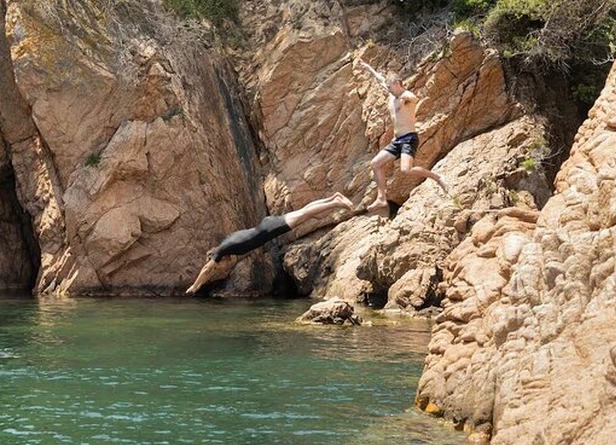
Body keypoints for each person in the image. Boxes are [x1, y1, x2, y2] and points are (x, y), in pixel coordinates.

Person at [186, 192, 357, 294]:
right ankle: (334, 198)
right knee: (304, 213)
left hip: (268, 229)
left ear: (216, 258)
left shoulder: (222, 250)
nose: (220, 269)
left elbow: (207, 269)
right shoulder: (226, 244)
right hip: (266, 225)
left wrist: (195, 286)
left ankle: (336, 202)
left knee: (304, 215)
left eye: (218, 266)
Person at [355, 59, 450, 212]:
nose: (388, 89)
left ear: (398, 84)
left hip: (409, 138)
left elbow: (413, 98)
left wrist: (405, 98)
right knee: (375, 164)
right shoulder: (392, 95)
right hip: (397, 140)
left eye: (390, 86)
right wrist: (367, 67)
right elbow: (380, 79)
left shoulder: (405, 95)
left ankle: (438, 177)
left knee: (406, 170)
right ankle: (381, 199)